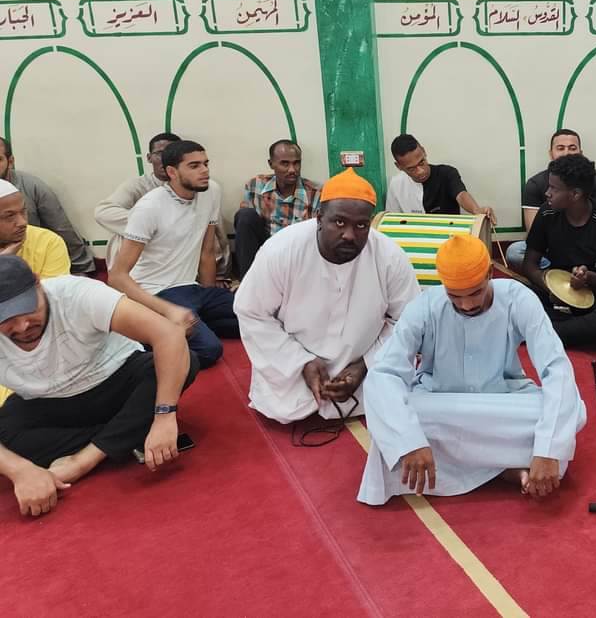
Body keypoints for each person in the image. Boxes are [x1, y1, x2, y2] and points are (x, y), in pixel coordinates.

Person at [359, 233, 586, 505]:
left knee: (573, 409)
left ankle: (486, 466)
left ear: (490, 273)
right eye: (455, 296)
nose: (466, 305)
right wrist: (409, 441)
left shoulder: (518, 299)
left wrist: (548, 449)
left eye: (475, 292)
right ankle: (505, 466)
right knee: (395, 416)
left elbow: (556, 368)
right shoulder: (424, 306)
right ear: (443, 285)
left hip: (502, 400)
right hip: (440, 402)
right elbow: (384, 373)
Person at [0, 255, 198, 517]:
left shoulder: (77, 293)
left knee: (182, 362)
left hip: (116, 381)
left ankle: (87, 456)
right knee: (7, 428)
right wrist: (20, 471)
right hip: (49, 402)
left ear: (38, 283)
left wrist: (164, 415)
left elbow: (168, 334)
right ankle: (128, 432)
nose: (23, 326)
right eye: (6, 319)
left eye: (28, 310)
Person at [235, 169, 419, 424]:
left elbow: (409, 322)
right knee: (285, 409)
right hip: (290, 372)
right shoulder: (282, 250)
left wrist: (366, 365)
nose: (349, 235)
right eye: (340, 222)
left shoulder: (389, 256)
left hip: (365, 374)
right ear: (319, 218)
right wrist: (301, 362)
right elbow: (251, 312)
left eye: (361, 225)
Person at [108, 140, 238, 368]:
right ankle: (143, 332)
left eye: (206, 164)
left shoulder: (211, 191)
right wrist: (169, 310)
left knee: (257, 317)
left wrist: (208, 298)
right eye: (194, 166)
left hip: (193, 289)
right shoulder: (149, 207)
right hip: (156, 292)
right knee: (209, 350)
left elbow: (207, 251)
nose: (205, 171)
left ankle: (187, 323)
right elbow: (117, 277)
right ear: (172, 172)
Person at [521, 154, 596, 350]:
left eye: (554, 188)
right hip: (554, 294)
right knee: (513, 296)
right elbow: (529, 265)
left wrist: (589, 278)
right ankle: (591, 335)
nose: (547, 193)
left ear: (575, 194)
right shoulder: (546, 213)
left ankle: (542, 332)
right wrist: (551, 287)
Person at [94, 132, 230, 276]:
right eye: (160, 154)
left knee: (205, 226)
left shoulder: (205, 188)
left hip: (186, 254)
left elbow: (216, 233)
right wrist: (153, 222)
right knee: (125, 235)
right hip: (148, 255)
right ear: (149, 158)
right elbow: (103, 212)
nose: (165, 159)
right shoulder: (138, 186)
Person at [506, 128, 596, 271]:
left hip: (587, 246)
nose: (566, 153)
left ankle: (565, 272)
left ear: (581, 153)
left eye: (572, 148)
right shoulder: (535, 184)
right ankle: (564, 272)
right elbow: (534, 233)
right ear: (551, 153)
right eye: (560, 148)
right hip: (552, 247)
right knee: (514, 252)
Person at [0, 136, 94, 275]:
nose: (22, 222)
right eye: (9, 216)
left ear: (11, 161)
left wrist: (81, 275)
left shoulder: (33, 187)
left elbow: (64, 232)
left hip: (39, 265)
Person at [233, 139, 321, 280]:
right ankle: (248, 282)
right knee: (245, 216)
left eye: (296, 163)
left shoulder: (316, 192)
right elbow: (246, 231)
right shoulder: (256, 185)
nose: (292, 170)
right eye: (285, 163)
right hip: (264, 251)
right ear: (271, 164)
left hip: (298, 254)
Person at [384, 134, 496, 223]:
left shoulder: (447, 174)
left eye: (422, 162)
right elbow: (392, 221)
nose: (420, 171)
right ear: (399, 166)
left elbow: (461, 195)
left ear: (424, 151)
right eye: (412, 169)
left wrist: (476, 210)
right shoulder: (396, 184)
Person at [0, 179, 69, 278]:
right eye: (9, 216)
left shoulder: (47, 242)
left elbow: (53, 288)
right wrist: (4, 261)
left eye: (23, 211)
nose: (23, 222)